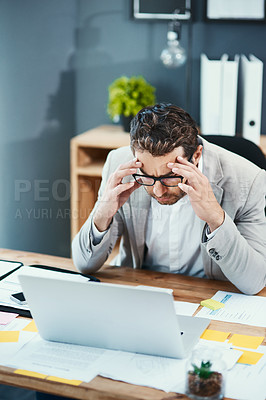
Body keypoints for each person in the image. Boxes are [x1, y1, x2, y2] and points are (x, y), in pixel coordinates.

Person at [72, 103, 266, 295]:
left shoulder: (249, 180)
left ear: (196, 155)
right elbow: (83, 264)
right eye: (147, 176)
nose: (158, 190)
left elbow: (254, 282)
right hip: (139, 290)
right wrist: (103, 213)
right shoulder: (120, 166)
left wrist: (216, 218)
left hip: (206, 294)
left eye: (169, 176)